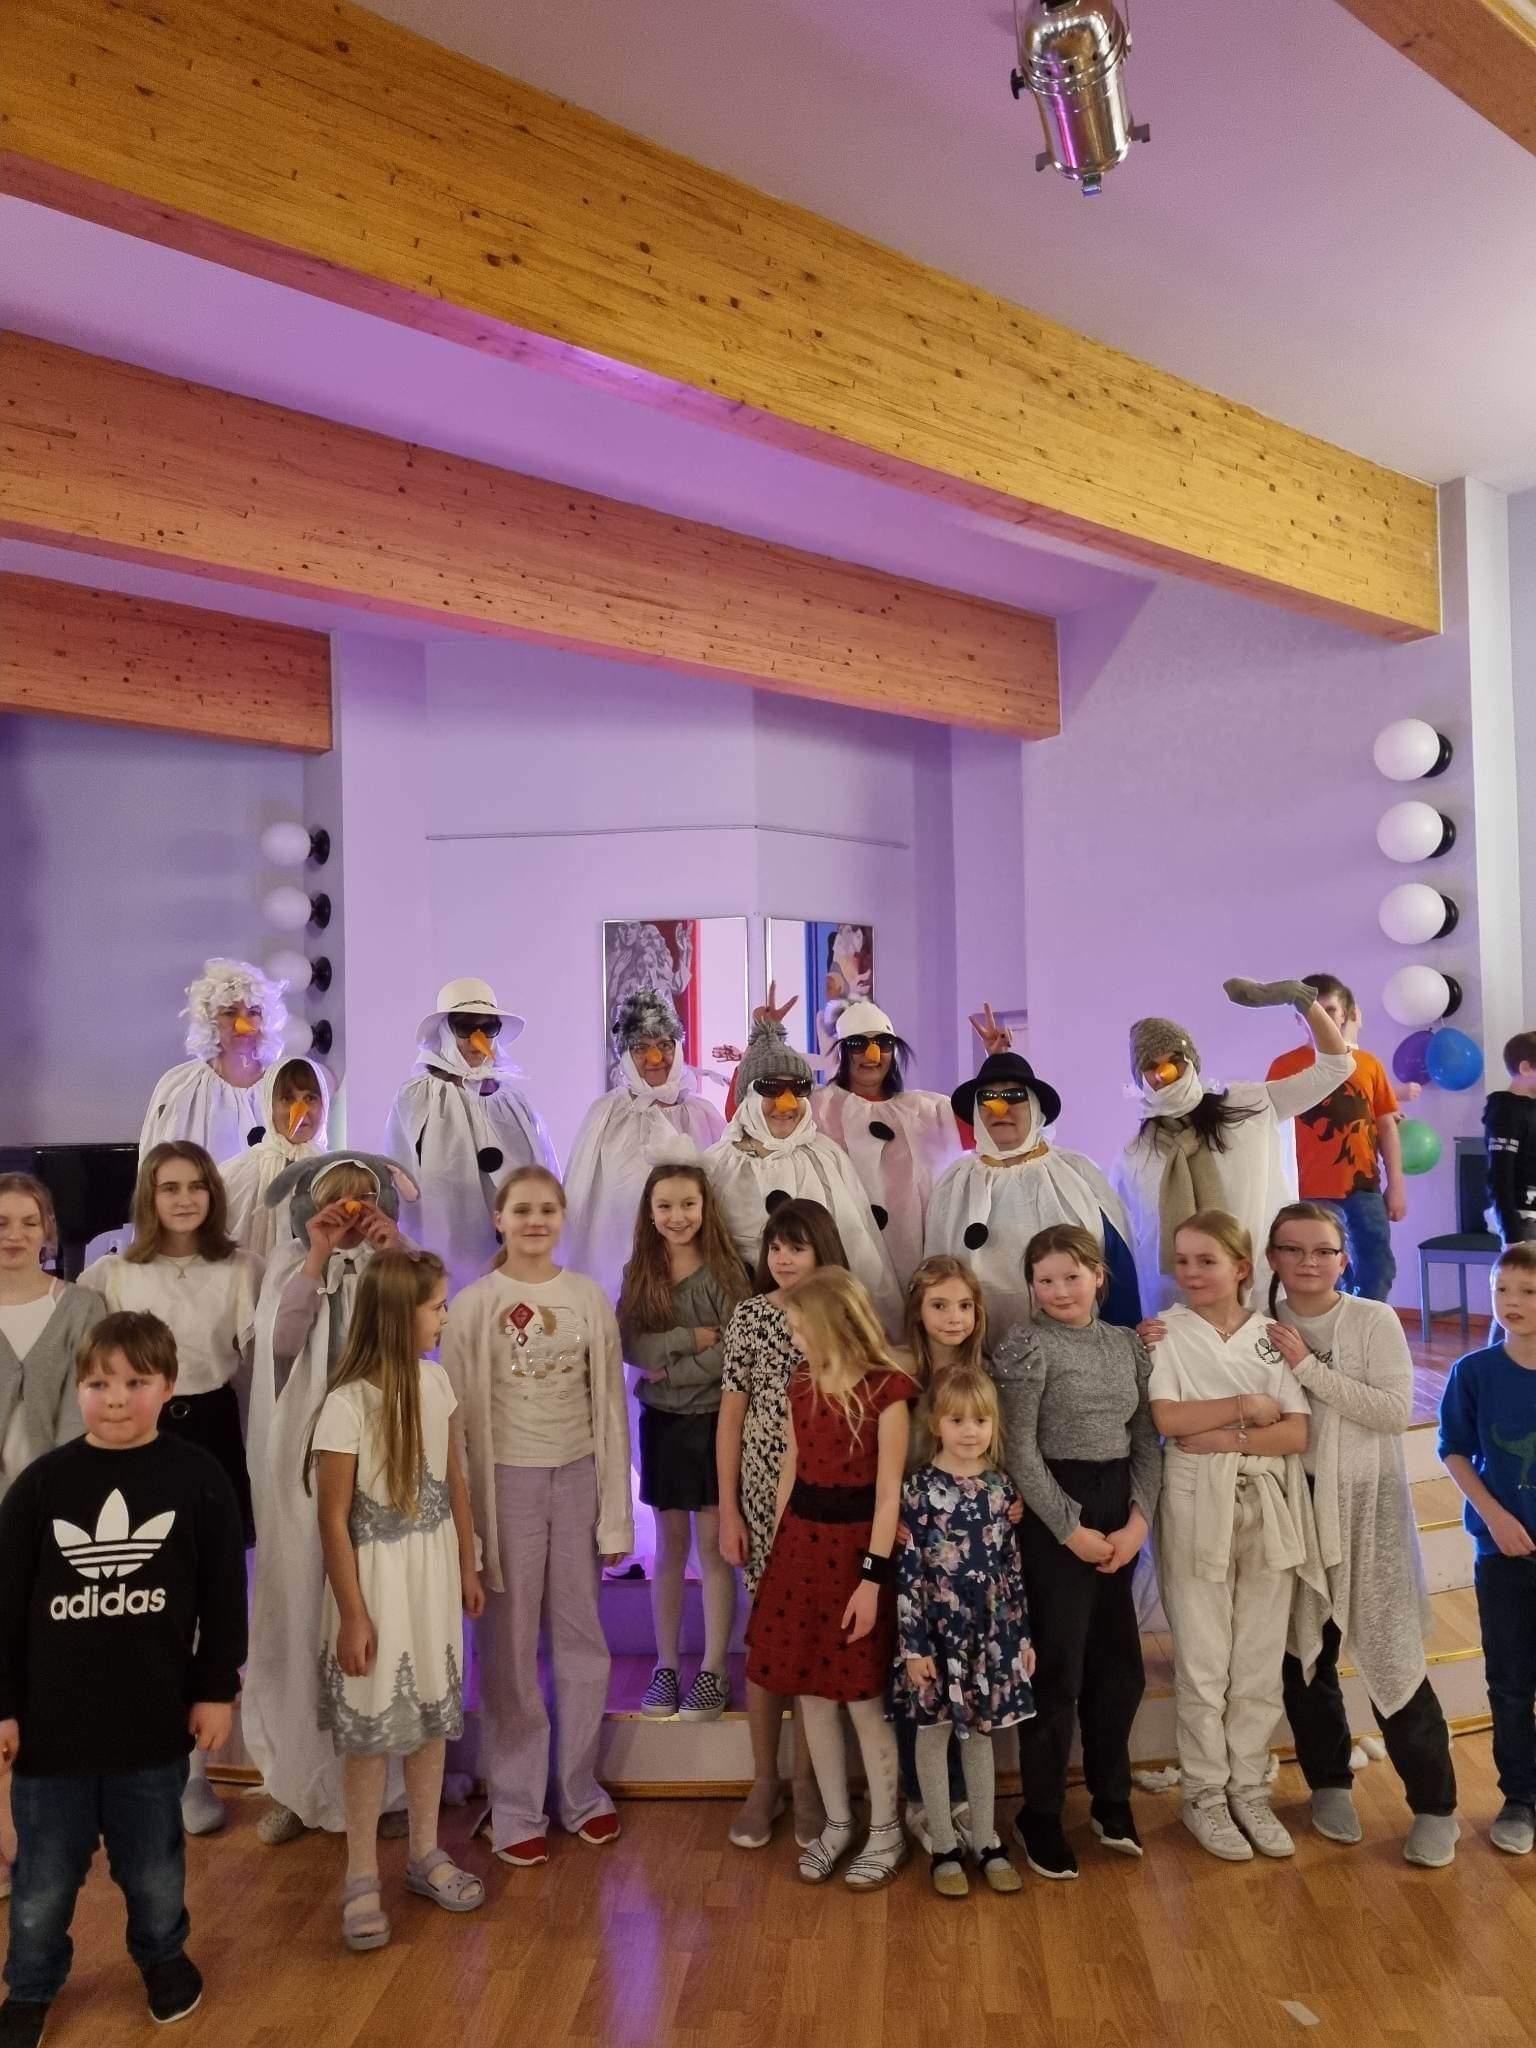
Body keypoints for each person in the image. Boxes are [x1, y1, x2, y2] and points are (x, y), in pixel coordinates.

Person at [0, 1311, 246, 2044]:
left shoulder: (197, 1479)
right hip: (51, 1735)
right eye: (99, 1384)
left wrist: (216, 1688)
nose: (116, 1399)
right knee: (42, 1883)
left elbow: (223, 1595)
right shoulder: (42, 1486)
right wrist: (3, 1706)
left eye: (136, 1382)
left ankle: (164, 1959)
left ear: (168, 1386)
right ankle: (30, 1988)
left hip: (152, 1725)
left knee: (153, 1868)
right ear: (77, 1388)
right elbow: (4, 1607)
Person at [440, 1166, 631, 1867]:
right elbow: (455, 1426)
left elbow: (610, 1411)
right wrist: (467, 1531)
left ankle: (579, 1791)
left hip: (576, 1477)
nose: (535, 1220)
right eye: (521, 1209)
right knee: (511, 1648)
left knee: (582, 1641)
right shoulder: (473, 1305)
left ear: (562, 1217)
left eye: (547, 1209)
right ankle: (516, 1804)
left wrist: (616, 1518)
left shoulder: (586, 1298)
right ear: (499, 1218)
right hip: (505, 1486)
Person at [1264, 1203, 1458, 1866]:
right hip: (1295, 1510)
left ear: (1343, 1259)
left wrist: (1308, 1368)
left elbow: (1393, 1411)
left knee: (1394, 1657)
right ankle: (1328, 1783)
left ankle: (1435, 1807)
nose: (1309, 1262)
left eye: (1324, 1251)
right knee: (1304, 1658)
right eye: (1294, 1250)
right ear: (1273, 1258)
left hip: (1367, 1510)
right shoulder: (1259, 1324)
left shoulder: (1373, 1320)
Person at [77, 1143, 261, 1840]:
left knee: (208, 1604)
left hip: (213, 1432)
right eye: (168, 1188)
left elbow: (268, 1356)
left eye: (195, 1187)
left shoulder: (241, 1268)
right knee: (140, 1603)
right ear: (148, 1198)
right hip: (137, 1438)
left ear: (213, 1193)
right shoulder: (113, 1273)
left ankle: (194, 1773)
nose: (183, 1199)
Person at [306, 1251, 486, 1950]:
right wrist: (353, 1613)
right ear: (397, 1314)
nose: (445, 1317)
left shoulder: (436, 1383)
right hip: (376, 1584)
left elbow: (455, 1482)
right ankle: (359, 1874)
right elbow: (333, 1519)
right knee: (372, 1728)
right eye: (437, 1306)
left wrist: (468, 1564)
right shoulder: (347, 1404)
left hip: (431, 1575)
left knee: (430, 1721)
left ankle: (424, 1851)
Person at [242, 1154, 415, 1846]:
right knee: (299, 1610)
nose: (348, 1216)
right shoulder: (291, 1267)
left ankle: (385, 1786)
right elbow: (283, 1346)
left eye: (361, 1201)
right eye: (335, 1203)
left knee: (376, 1610)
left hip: (378, 1456)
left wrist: (393, 1254)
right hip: (304, 1461)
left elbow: (423, 1329)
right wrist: (316, 1259)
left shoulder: (390, 1267)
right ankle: (297, 1781)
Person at [1147, 1209, 1322, 1863]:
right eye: (1183, 1261)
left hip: (1267, 1502)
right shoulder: (1168, 1333)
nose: (1191, 1272)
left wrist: (1223, 1436)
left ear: (1241, 1267)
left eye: (1207, 1260)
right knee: (1203, 1660)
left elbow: (1296, 1431)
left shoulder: (1270, 1338)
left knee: (1256, 1658)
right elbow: (1169, 1418)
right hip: (1196, 1500)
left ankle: (1249, 1789)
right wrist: (1248, 1408)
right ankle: (1204, 1794)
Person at [991, 1223, 1161, 1880]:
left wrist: (1139, 1522)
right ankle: (1040, 1813)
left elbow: (1145, 1438)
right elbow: (1019, 1449)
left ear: (1098, 1277)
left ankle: (1111, 1799)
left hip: (1118, 1506)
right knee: (1058, 1670)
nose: (1060, 1290)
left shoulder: (1126, 1345)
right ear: (1031, 1287)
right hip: (1054, 1511)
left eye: (1072, 1276)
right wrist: (1069, 1529)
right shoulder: (1027, 1345)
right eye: (1045, 1280)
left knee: (1119, 1668)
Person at [744, 1267, 916, 1891]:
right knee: (811, 1694)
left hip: (855, 1554)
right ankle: (838, 1820)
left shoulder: (887, 1392)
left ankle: (886, 1829)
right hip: (801, 1550)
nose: (793, 1336)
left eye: (799, 1326)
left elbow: (889, 1494)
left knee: (864, 1700)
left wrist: (871, 1580)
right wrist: (776, 1547)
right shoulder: (801, 1383)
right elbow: (792, 1466)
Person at [716, 1200, 846, 1852]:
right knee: (767, 1642)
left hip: (827, 1497)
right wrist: (730, 1509)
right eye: (775, 1247)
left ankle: (811, 1779)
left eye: (797, 1246)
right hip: (764, 1499)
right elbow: (731, 1417)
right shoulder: (749, 1317)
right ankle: (764, 1780)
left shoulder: (842, 1312)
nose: (784, 1259)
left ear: (822, 1251)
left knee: (818, 1640)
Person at [1113, 977, 1356, 1317]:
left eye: (1172, 1062)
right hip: (1174, 1308)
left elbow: (1336, 1067)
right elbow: (1130, 1241)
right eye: (1150, 1067)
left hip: (1255, 1295)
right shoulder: (1135, 1155)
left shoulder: (1248, 1105)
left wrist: (1301, 1001)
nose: (1162, 1075)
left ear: (1191, 1062)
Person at [0, 1175, 102, 1906]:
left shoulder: (82, 1309)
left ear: (48, 1230)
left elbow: (83, 1420)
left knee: (41, 1678)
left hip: (51, 1525)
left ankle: (40, 1837)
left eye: (26, 1221)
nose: (12, 1234)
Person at [617, 1164, 750, 1723]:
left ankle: (715, 1667)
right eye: (665, 1206)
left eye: (687, 1205)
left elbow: (735, 1351)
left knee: (716, 1547)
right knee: (668, 1548)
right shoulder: (640, 1271)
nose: (677, 1217)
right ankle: (666, 1664)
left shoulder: (726, 1272)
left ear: (705, 1207)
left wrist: (672, 1368)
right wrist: (685, 1339)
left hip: (716, 1424)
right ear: (650, 1213)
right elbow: (631, 1344)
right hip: (663, 1424)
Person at [895, 1363, 1033, 1898]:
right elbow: (908, 1573)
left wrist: (1020, 1637)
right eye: (957, 1420)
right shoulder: (918, 1489)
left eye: (980, 1420)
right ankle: (944, 1845)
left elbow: (1011, 1569)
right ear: (936, 1424)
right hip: (935, 1637)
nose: (970, 1431)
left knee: (980, 1735)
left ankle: (985, 1837)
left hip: (988, 1638)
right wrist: (913, 1647)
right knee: (932, 1736)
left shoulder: (1000, 1489)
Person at [703, 1016, 900, 1331]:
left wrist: (874, 1329)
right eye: (771, 1088)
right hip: (738, 1327)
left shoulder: (826, 1156)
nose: (786, 1103)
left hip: (820, 1326)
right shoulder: (716, 1165)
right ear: (748, 1098)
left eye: (798, 1089)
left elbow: (858, 1245)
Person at [890, 1254, 993, 1856]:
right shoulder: (900, 1373)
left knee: (966, 1676)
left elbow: (995, 1451)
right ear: (917, 1310)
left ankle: (962, 1798)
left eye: (964, 1305)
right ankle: (920, 1799)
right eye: (939, 1305)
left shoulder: (985, 1371)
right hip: (913, 1543)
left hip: (972, 1553)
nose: (953, 1317)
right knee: (919, 1677)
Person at [927, 1051, 1139, 1335]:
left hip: (1075, 1348)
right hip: (975, 1349)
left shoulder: (1076, 1173)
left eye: (1014, 1096)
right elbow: (935, 1273)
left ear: (1036, 1107)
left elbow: (1117, 1263)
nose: (999, 1108)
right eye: (987, 1098)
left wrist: (1121, 1340)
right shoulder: (954, 1183)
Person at [1439, 1242, 1536, 1855]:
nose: (1511, 1302)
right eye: (1502, 1289)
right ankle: (1520, 1797)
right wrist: (1495, 1517)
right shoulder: (1474, 1372)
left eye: (1528, 1291)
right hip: (1503, 1556)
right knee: (1510, 1681)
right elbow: (1453, 1449)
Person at [385, 977, 558, 1290]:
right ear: (445, 1032)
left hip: (514, 1254)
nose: (477, 1038)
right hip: (446, 1248)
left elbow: (542, 1168)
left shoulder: (513, 1101)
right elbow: (400, 1171)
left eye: (488, 1028)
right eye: (465, 1027)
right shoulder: (418, 1097)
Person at [564, 988, 727, 1299]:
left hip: (693, 1272)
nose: (655, 1058)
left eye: (665, 1044)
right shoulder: (606, 1114)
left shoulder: (703, 1113)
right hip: (617, 1269)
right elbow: (579, 1197)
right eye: (641, 1047)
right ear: (626, 1054)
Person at [1265, 974, 1405, 1301]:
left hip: (1363, 1189)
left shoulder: (1368, 1065)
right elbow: (1270, 1127)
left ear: (1345, 1014)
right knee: (1321, 1268)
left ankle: (1367, 1321)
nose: (1321, 1018)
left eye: (1329, 1010)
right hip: (1308, 1189)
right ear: (1299, 1019)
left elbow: (1386, 1127)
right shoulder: (1284, 1066)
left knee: (1377, 1266)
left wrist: (1396, 1185)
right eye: (1311, 1011)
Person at [811, 1001, 963, 1288]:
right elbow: (753, 1116)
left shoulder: (927, 1109)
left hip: (914, 1252)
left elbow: (993, 1126)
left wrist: (997, 1060)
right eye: (858, 1044)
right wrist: (764, 1039)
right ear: (842, 1052)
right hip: (848, 1255)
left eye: (883, 1043)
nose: (872, 1054)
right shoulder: (819, 1106)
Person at [138, 958, 287, 1163]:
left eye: (253, 1012)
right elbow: (154, 1162)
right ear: (210, 1020)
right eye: (230, 1013)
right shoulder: (180, 1085)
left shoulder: (283, 1084)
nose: (242, 1023)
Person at [218, 1054, 330, 1259]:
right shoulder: (234, 1175)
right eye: (288, 1099)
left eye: (310, 1098)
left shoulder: (337, 1172)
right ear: (269, 1105)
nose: (300, 1110)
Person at [1484, 1032, 1536, 1248]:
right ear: (1526, 1068)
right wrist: (1512, 1236)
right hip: (1523, 1220)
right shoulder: (1506, 1112)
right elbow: (1500, 1176)